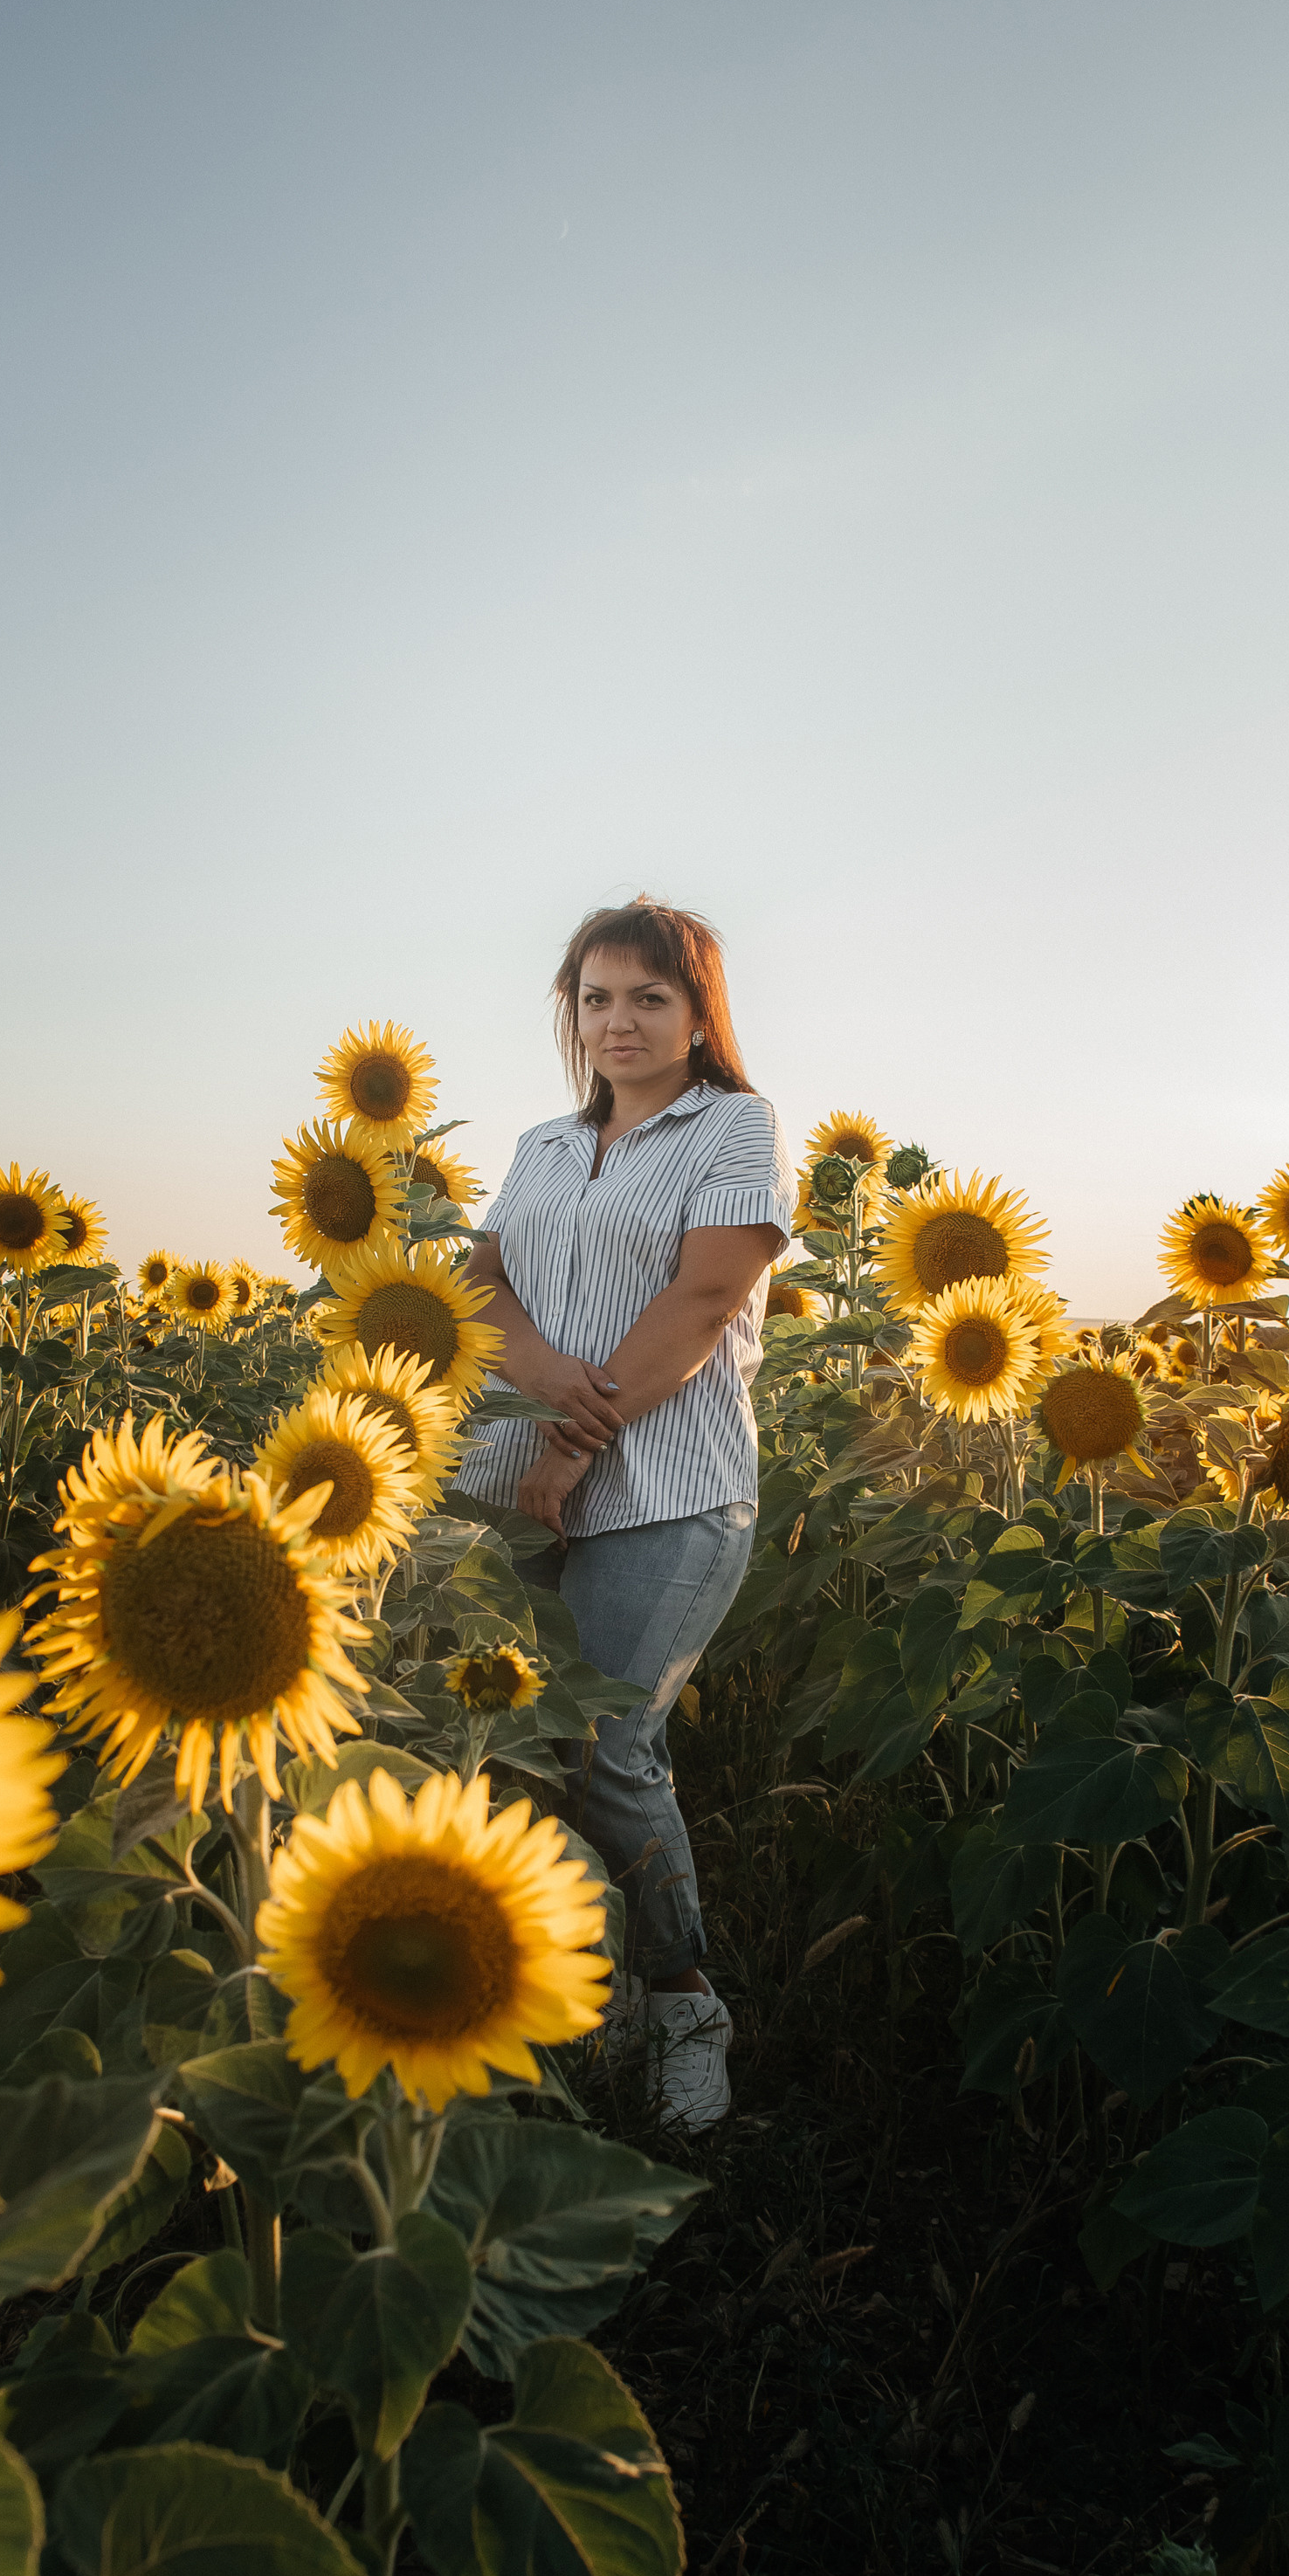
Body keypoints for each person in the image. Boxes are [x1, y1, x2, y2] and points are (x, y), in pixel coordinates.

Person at [456, 899, 794, 2128]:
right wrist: (539, 1392)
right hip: (513, 1487)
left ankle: (687, 2000)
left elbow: (706, 1303)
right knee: (523, 1755)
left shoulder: (736, 1128)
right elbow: (479, 1284)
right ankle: (574, 2006)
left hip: (668, 1493)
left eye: (650, 998)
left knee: (612, 1756)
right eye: (597, 998)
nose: (621, 1021)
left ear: (699, 1016)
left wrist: (566, 1449)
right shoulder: (545, 1146)